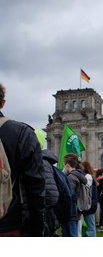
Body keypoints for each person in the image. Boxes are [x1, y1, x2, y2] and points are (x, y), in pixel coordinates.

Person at [0, 83, 46, 237]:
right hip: (8, 224)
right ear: (3, 102)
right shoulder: (21, 133)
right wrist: (37, 229)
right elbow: (36, 187)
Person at [34, 129, 59, 237]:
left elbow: (51, 195)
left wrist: (39, 207)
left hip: (43, 214)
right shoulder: (33, 160)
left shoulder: (42, 162)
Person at [62, 153, 88, 237]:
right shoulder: (79, 175)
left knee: (70, 235)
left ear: (67, 165)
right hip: (76, 210)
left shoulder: (71, 178)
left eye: (63, 165)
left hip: (70, 212)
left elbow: (69, 196)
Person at [81, 161, 98, 237]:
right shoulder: (90, 176)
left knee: (91, 228)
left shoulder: (88, 177)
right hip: (90, 205)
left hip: (89, 206)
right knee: (89, 227)